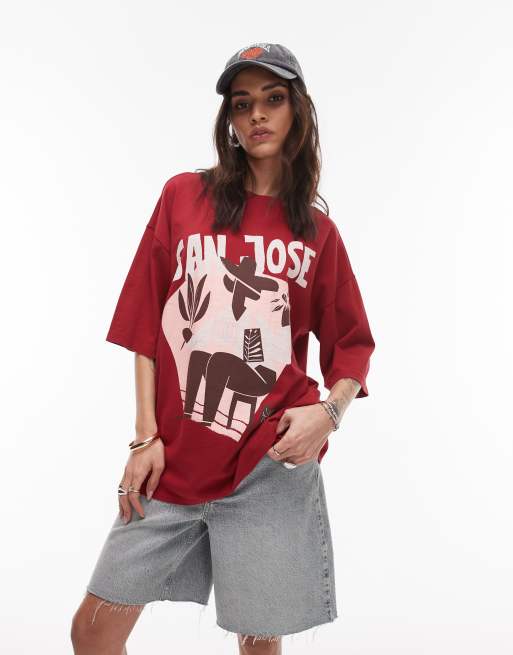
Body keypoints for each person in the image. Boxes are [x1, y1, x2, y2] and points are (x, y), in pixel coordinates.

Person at [71, 42, 375, 654]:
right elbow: (145, 320)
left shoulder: (318, 233)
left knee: (258, 645)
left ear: (297, 111)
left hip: (270, 465)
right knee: (92, 632)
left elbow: (352, 345)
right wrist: (145, 437)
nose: (256, 114)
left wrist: (329, 413)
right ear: (229, 120)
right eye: (242, 103)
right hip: (174, 461)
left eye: (273, 98)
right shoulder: (184, 197)